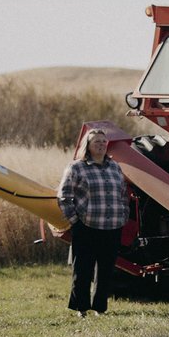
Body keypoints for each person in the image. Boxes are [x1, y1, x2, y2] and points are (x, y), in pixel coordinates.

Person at [56, 128, 128, 318]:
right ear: (87, 146)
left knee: (106, 270)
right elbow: (64, 196)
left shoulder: (114, 167)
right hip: (86, 225)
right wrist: (75, 221)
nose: (101, 145)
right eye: (97, 141)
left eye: (104, 141)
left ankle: (100, 308)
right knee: (83, 269)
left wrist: (123, 215)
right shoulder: (76, 167)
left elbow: (123, 194)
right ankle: (81, 308)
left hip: (113, 226)